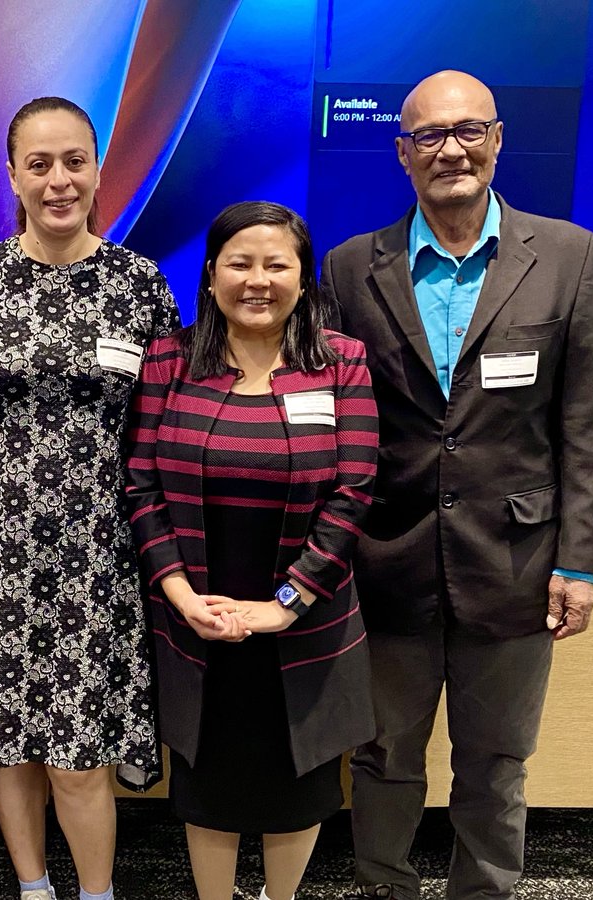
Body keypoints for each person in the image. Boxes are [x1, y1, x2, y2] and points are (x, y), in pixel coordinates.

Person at [320, 71, 593, 900]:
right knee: (382, 756)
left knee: (496, 760)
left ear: (498, 138)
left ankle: (485, 892)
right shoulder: (351, 269)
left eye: (468, 131)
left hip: (517, 562)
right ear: (402, 154)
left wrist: (581, 563)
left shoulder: (569, 257)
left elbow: (584, 424)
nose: (450, 150)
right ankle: (385, 885)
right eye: (429, 137)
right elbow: (337, 423)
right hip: (388, 558)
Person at [0, 96, 181, 900]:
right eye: (40, 164)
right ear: (14, 176)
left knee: (79, 744)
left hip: (100, 546)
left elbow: (166, 412)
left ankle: (94, 894)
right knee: (9, 737)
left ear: (98, 169)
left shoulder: (138, 283)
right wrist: (7, 465)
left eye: (74, 161)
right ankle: (32, 887)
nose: (59, 180)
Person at [123, 201, 378, 900]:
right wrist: (179, 595)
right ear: (211, 277)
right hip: (197, 608)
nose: (257, 279)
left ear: (303, 277)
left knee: (299, 778)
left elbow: (353, 491)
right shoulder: (169, 361)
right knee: (209, 777)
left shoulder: (341, 361)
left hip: (305, 614)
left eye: (276, 264)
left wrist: (285, 605)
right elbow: (141, 485)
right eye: (240, 263)